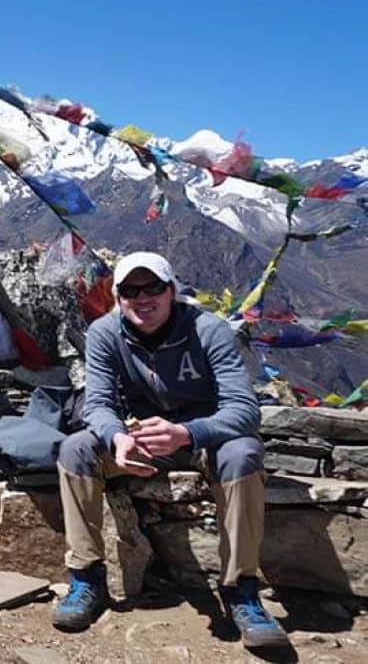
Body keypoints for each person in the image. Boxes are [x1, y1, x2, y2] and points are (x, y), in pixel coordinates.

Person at [52, 252, 288, 649]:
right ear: (118, 297)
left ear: (171, 290)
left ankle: (240, 591)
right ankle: (86, 577)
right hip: (139, 435)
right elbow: (98, 404)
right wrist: (117, 439)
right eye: (130, 290)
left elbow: (244, 409)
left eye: (153, 288)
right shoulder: (105, 333)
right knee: (76, 448)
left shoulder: (210, 331)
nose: (143, 298)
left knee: (244, 455)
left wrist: (187, 432)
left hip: (203, 435)